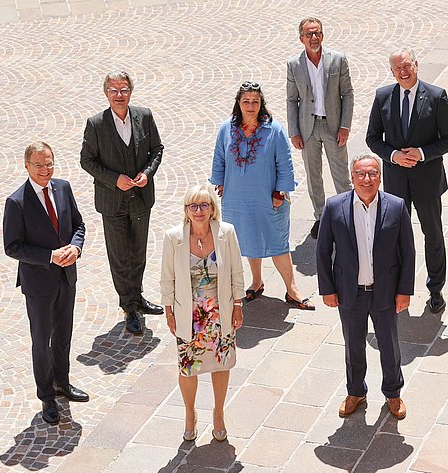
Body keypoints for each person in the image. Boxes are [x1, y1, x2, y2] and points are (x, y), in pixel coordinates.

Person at [316, 154, 415, 419]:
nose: (366, 179)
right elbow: (323, 250)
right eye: (360, 174)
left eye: (372, 173)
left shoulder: (396, 206)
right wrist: (327, 288)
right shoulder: (335, 206)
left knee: (390, 346)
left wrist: (404, 291)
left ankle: (393, 393)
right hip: (350, 292)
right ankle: (356, 391)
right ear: (352, 178)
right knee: (353, 345)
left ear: (380, 177)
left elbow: (408, 251)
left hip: (385, 291)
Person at [366, 48, 448, 314]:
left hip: (427, 180)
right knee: (394, 237)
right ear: (392, 71)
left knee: (433, 235)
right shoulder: (382, 96)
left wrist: (422, 153)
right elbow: (372, 138)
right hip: (396, 181)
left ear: (416, 65)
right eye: (398, 69)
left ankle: (436, 289)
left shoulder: (436, 96)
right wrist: (394, 156)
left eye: (407, 66)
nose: (403, 72)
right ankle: (397, 288)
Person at [3, 142, 90, 425]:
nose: (45, 170)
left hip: (67, 276)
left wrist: (75, 248)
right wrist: (50, 256)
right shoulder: (16, 202)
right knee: (42, 341)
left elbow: (79, 225)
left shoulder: (63, 188)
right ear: (26, 166)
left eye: (49, 163)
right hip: (39, 283)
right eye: (39, 165)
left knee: (64, 333)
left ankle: (62, 382)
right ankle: (46, 396)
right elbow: (12, 247)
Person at [211, 82, 314, 310]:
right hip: (236, 199)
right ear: (238, 103)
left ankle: (292, 288)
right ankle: (256, 283)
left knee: (277, 243)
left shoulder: (273, 129)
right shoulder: (225, 129)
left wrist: (280, 192)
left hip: (268, 198)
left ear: (261, 104)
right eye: (246, 101)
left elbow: (285, 163)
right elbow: (219, 157)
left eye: (255, 101)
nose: (250, 106)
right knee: (246, 240)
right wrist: (219, 182)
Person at [80, 70, 165, 335]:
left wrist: (146, 174)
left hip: (140, 198)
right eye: (114, 90)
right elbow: (87, 161)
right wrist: (114, 179)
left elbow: (157, 150)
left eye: (124, 89)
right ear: (106, 93)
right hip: (112, 201)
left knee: (138, 251)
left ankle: (137, 297)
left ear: (131, 91)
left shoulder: (145, 116)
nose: (119, 95)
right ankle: (129, 307)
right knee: (119, 256)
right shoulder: (96, 124)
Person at [160, 184, 245, 442]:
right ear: (186, 210)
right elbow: (167, 279)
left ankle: (218, 413)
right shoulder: (173, 237)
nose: (198, 211)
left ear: (212, 209)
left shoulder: (226, 232)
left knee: (221, 363)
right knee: (187, 367)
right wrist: (168, 311)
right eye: (193, 206)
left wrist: (238, 305)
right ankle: (189, 413)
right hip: (190, 314)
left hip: (221, 310)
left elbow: (237, 272)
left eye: (204, 205)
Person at [286, 17, 354, 239]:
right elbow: (291, 100)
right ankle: (321, 217)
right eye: (309, 34)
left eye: (317, 33)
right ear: (301, 38)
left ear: (322, 35)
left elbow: (347, 94)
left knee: (340, 173)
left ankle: (347, 215)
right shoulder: (294, 64)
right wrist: (294, 131)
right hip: (308, 128)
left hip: (334, 126)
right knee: (313, 175)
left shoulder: (337, 60)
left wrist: (345, 125)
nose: (314, 38)